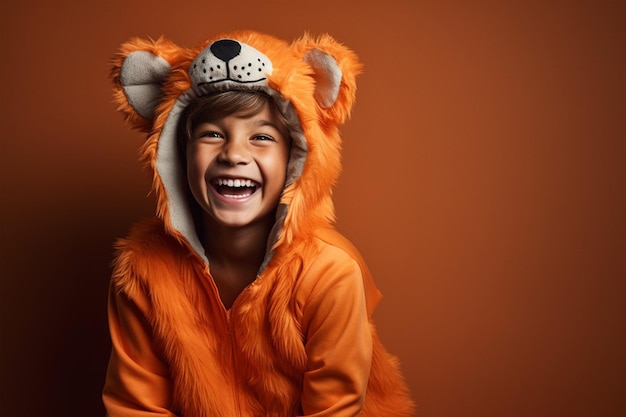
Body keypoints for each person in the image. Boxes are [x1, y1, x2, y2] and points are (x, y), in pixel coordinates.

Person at [103, 30, 415, 417]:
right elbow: (136, 407)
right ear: (178, 155)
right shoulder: (143, 270)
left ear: (297, 159)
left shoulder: (330, 273)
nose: (234, 154)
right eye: (213, 134)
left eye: (262, 137)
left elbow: (332, 411)